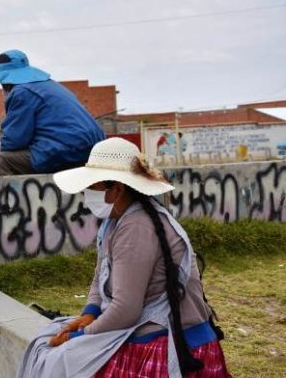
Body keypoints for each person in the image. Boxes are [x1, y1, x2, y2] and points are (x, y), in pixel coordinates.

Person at [17, 137, 232, 377]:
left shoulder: (136, 228)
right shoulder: (114, 223)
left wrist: (81, 336)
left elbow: (126, 309)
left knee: (60, 360)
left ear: (116, 189)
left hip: (167, 344)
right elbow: (100, 277)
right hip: (142, 331)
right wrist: (89, 314)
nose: (87, 193)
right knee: (46, 345)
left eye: (93, 186)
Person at [0, 49, 105, 175]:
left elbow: (13, 141)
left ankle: (11, 195)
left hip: (67, 148)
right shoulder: (51, 85)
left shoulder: (21, 92)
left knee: (3, 161)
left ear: (6, 82)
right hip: (94, 147)